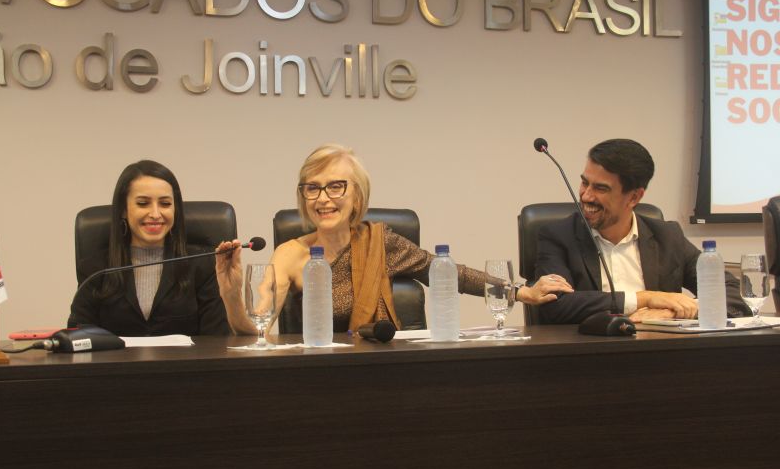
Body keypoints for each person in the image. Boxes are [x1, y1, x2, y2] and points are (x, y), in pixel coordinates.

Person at [216, 143, 573, 335]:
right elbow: (256, 329)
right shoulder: (289, 254)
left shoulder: (379, 241)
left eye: (336, 186)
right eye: (312, 188)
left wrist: (520, 292)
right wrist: (232, 295)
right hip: (315, 376)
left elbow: (449, 272)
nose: (323, 198)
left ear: (357, 195)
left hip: (379, 369)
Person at [534, 138, 751, 324]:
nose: (586, 196)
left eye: (600, 188)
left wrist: (676, 310)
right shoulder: (558, 236)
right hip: (591, 353)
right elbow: (555, 305)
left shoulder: (668, 237)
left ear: (634, 197)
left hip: (662, 351)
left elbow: (731, 292)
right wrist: (644, 298)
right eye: (584, 183)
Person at [68, 160, 230, 336]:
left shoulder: (203, 264)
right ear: (123, 209)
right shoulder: (95, 269)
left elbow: (217, 340)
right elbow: (78, 338)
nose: (155, 214)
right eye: (143, 203)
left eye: (165, 204)